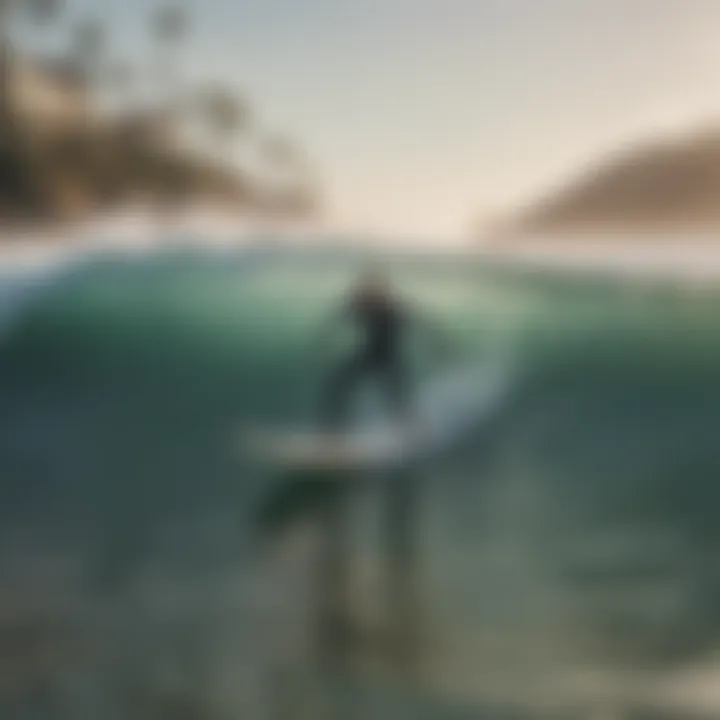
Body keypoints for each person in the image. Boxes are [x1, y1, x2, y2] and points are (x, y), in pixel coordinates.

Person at [316, 268, 449, 431]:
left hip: (389, 358)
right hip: (369, 355)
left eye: (372, 290)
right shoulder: (359, 304)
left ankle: (414, 430)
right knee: (338, 386)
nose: (366, 294)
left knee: (396, 398)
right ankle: (335, 429)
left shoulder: (393, 308)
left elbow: (422, 325)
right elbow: (336, 320)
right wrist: (323, 341)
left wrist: (442, 344)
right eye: (365, 290)